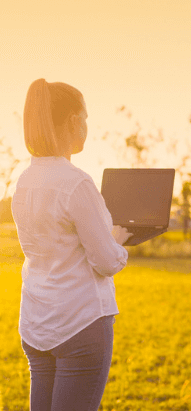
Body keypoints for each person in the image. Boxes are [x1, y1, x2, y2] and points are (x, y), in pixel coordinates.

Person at [11, 79, 132, 411]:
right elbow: (106, 262)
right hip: (80, 324)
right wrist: (118, 242)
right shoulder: (76, 183)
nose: (87, 126)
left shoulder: (23, 183)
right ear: (73, 122)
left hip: (36, 322)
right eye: (86, 117)